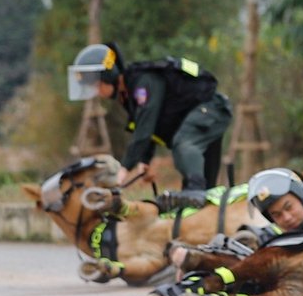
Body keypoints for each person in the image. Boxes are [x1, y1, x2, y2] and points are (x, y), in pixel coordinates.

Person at [66, 43, 231, 192]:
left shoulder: (142, 84)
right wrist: (145, 160)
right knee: (206, 189)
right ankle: (201, 200)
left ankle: (195, 192)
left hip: (211, 109)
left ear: (108, 77)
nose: (97, 92)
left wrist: (124, 169)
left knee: (183, 145)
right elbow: (152, 126)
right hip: (206, 115)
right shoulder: (129, 94)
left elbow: (145, 127)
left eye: (97, 85)